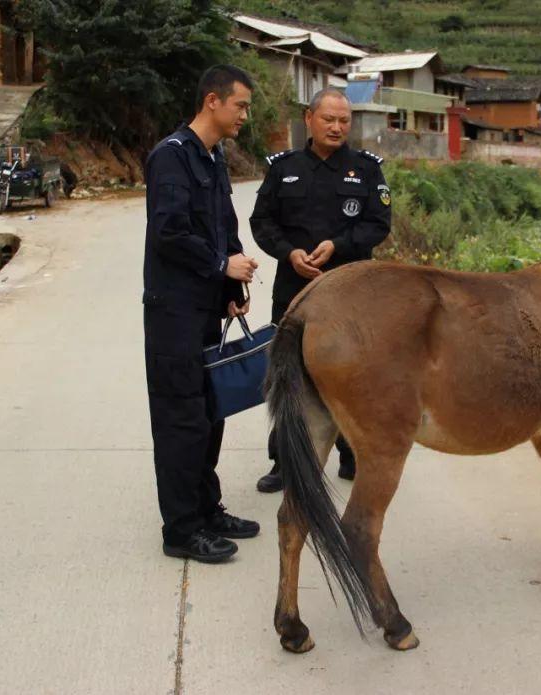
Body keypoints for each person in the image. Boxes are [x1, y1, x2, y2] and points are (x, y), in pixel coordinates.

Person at [143, 65, 261, 562]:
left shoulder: (213, 159)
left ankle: (207, 508)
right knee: (181, 420)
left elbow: (222, 227)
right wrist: (220, 263)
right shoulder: (170, 157)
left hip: (204, 307)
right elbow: (169, 233)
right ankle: (181, 531)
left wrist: (230, 285)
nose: (245, 116)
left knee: (209, 415)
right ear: (212, 100)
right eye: (241, 106)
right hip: (172, 314)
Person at [250, 87, 393, 493]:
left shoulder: (366, 170)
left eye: (343, 121)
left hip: (352, 293)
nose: (336, 127)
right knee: (289, 376)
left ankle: (351, 454)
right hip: (295, 291)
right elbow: (262, 223)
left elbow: (379, 224)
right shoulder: (283, 168)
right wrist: (290, 252)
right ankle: (286, 462)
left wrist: (339, 245)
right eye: (328, 119)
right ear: (309, 119)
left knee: (353, 375)